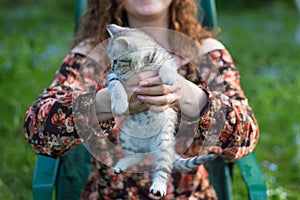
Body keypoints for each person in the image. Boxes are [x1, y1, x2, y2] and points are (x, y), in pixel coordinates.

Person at [23, 0, 259, 199]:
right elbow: (38, 130)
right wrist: (105, 103)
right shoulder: (92, 56)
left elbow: (246, 135)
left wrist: (189, 95)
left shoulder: (205, 53)